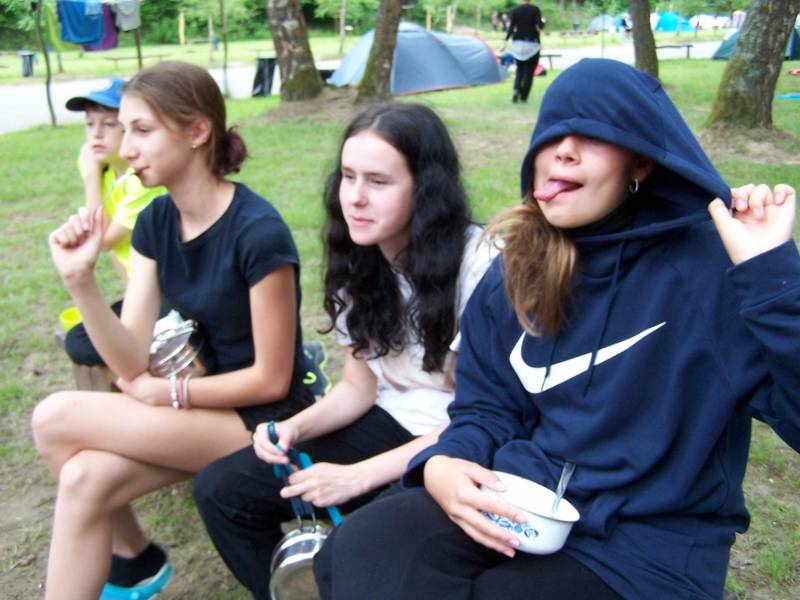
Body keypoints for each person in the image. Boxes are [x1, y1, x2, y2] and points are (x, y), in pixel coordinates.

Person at [313, 59, 800, 599]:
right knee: (360, 548)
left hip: (647, 544)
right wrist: (445, 462)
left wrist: (772, 279)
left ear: (640, 161)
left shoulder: (710, 271)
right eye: (552, 135)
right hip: (522, 498)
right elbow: (486, 408)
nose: (563, 151)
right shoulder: (518, 267)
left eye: (592, 135)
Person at [191, 102, 496, 600]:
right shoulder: (359, 258)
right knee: (221, 491)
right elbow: (358, 388)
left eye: (378, 181)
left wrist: (355, 478)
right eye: (348, 177)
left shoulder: (479, 266)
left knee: (352, 551)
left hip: (462, 446)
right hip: (391, 421)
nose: (355, 197)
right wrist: (295, 427)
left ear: (425, 189)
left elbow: (483, 417)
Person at [31, 61, 312, 600]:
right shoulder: (157, 221)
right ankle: (136, 559)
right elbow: (130, 360)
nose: (126, 148)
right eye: (124, 131)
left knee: (53, 417)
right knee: (82, 478)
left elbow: (274, 380)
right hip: (201, 412)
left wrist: (169, 392)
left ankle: (135, 556)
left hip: (266, 423)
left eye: (142, 130)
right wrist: (80, 282)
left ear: (197, 131)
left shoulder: (258, 233)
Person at [62, 77, 167, 367]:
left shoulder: (144, 180)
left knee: (96, 341)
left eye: (108, 125)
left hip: (167, 293)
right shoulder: (105, 168)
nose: (96, 134)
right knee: (79, 340)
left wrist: (91, 175)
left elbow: (104, 239)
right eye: (89, 124)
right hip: (140, 290)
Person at [500, 0, 545, 103]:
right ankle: (524, 96)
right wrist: (544, 21)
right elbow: (540, 26)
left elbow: (511, 28)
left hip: (517, 44)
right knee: (529, 71)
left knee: (519, 70)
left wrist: (505, 41)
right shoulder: (535, 10)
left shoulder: (515, 10)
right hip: (532, 44)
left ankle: (516, 89)